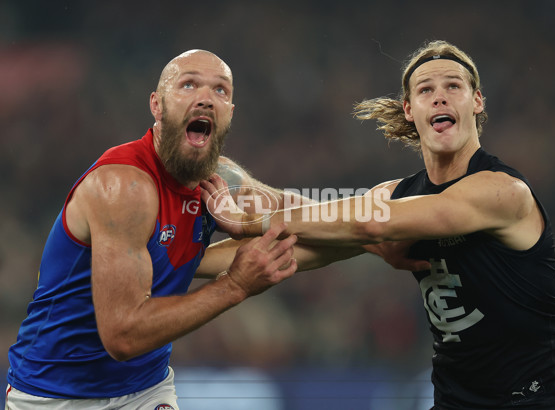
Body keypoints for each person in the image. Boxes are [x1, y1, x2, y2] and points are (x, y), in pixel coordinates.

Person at [203, 40, 555, 409]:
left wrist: (251, 217)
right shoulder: (398, 197)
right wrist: (181, 261)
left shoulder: (503, 191)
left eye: (453, 86)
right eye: (426, 89)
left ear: (476, 102)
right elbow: (305, 231)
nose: (440, 95)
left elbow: (368, 223)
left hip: (544, 401)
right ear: (409, 109)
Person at [5, 49, 329, 409]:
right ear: (157, 105)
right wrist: (235, 286)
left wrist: (385, 221)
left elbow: (318, 216)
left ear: (230, 114)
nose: (206, 98)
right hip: (54, 394)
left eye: (221, 90)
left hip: (148, 390)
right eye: (189, 84)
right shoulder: (124, 186)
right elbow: (123, 337)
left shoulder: (220, 181)